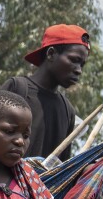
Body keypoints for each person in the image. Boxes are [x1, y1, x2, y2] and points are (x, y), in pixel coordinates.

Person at [5, 24, 90, 160]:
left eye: (82, 65)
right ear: (51, 53)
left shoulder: (68, 111)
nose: (78, 70)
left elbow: (61, 168)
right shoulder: (17, 89)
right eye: (74, 60)